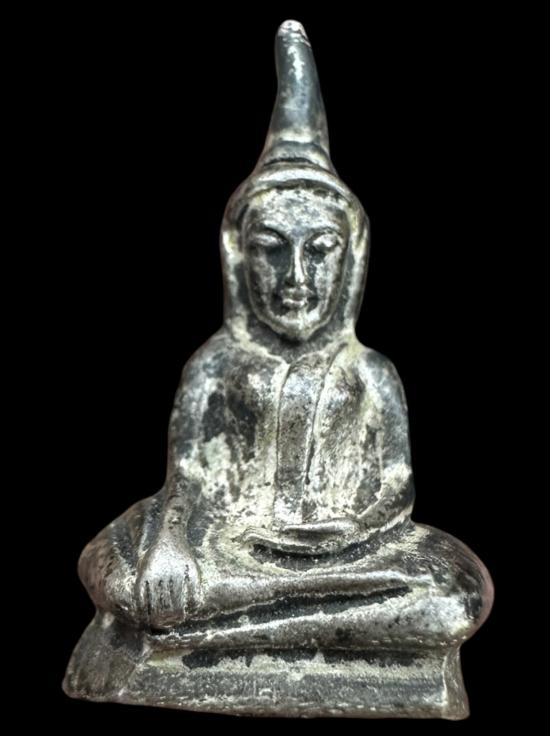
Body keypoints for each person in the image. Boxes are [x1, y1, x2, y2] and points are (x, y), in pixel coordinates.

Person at [65, 20, 493, 718]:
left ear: (351, 261)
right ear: (239, 258)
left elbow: (394, 493)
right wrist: (174, 548)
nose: (296, 276)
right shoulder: (216, 366)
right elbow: (186, 485)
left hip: (348, 557)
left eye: (319, 251)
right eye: (272, 248)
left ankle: (195, 641)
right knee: (116, 568)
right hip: (227, 549)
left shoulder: (371, 374)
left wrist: (336, 538)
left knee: (454, 592)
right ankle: (215, 630)